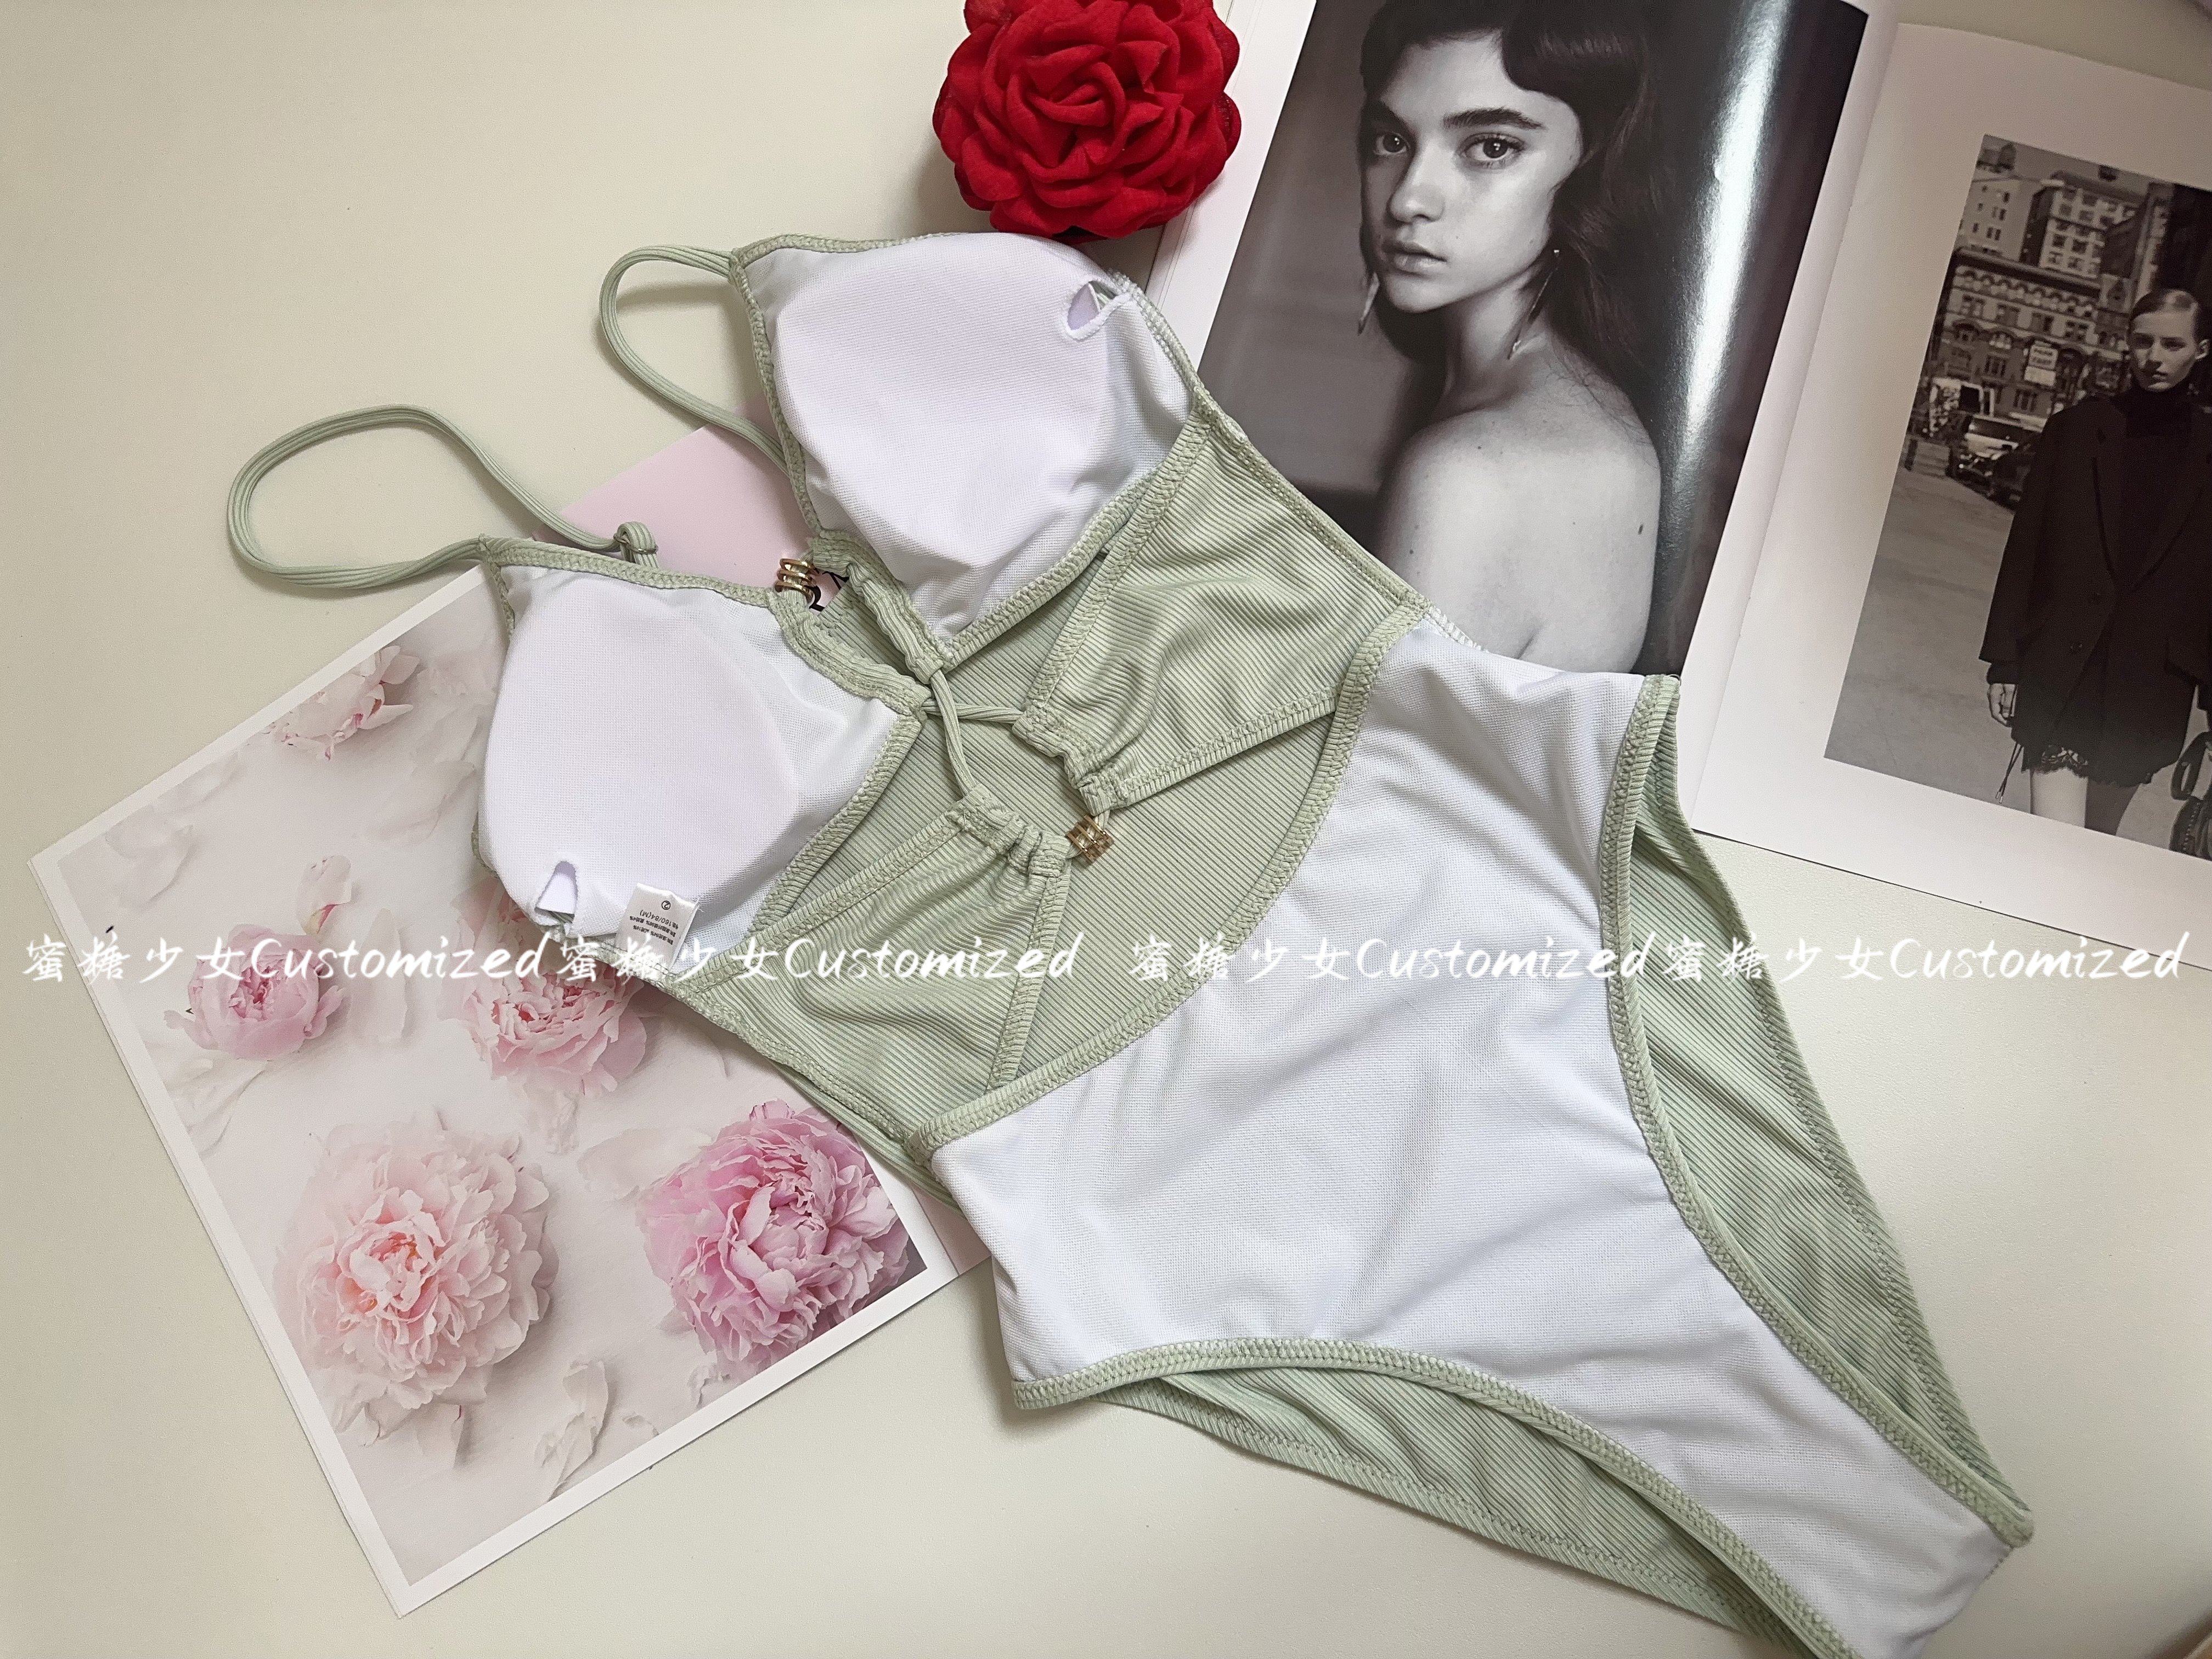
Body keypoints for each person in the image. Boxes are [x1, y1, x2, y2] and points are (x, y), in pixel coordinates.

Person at [1356, 0, 1666, 672]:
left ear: (1590, 171)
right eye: (1391, 140)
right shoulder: (1566, 401)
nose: (1408, 199)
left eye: (1491, 147)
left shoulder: (1468, 471)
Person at [1981, 287, 2212, 835]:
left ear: (2201, 350)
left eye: (2172, 344)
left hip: (2150, 682)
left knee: (2097, 843)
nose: (2154, 358)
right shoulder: (2077, 429)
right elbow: (2027, 547)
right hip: (2064, 665)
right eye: (2142, 342)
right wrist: (2005, 660)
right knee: (2054, 842)